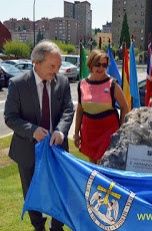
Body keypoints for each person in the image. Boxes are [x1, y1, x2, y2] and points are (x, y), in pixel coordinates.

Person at [4, 40, 74, 231]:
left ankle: (56, 227)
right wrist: (32, 130)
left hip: (57, 149)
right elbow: (10, 117)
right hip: (27, 150)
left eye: (59, 66)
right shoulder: (17, 84)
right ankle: (38, 227)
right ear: (37, 62)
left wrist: (60, 130)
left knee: (60, 191)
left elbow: (68, 110)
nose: (56, 70)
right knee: (32, 193)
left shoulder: (63, 82)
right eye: (53, 66)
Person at [73, 49, 129, 163]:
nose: (101, 68)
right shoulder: (82, 84)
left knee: (104, 164)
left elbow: (124, 107)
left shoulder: (112, 84)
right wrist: (76, 133)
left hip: (108, 132)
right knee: (92, 165)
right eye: (97, 64)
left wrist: (121, 130)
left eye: (104, 65)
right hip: (89, 132)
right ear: (90, 64)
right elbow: (79, 110)